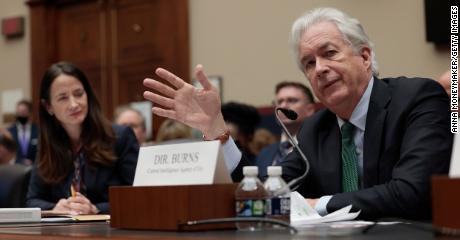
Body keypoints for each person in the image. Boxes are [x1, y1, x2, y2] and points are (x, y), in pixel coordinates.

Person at [143, 7, 452, 220]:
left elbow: (413, 192)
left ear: (365, 56)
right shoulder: (316, 128)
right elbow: (264, 195)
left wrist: (319, 205)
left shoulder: (418, 99)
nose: (320, 69)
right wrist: (217, 130)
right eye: (308, 63)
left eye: (329, 53)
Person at [26, 62, 139, 215]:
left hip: (110, 232)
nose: (74, 104)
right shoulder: (47, 145)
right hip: (62, 233)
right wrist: (55, 208)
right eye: (63, 98)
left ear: (88, 95)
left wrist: (96, 208)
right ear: (48, 107)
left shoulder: (120, 137)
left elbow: (137, 196)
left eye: (79, 94)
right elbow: (32, 200)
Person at [256, 81, 315, 177]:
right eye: (279, 102)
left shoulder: (319, 148)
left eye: (292, 100)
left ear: (310, 109)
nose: (283, 106)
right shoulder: (265, 153)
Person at [8, 99, 39, 165]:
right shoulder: (9, 131)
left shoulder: (38, 131)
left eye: (24, 111)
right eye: (19, 112)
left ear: (30, 113)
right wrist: (19, 161)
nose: (21, 114)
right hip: (16, 169)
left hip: (34, 168)